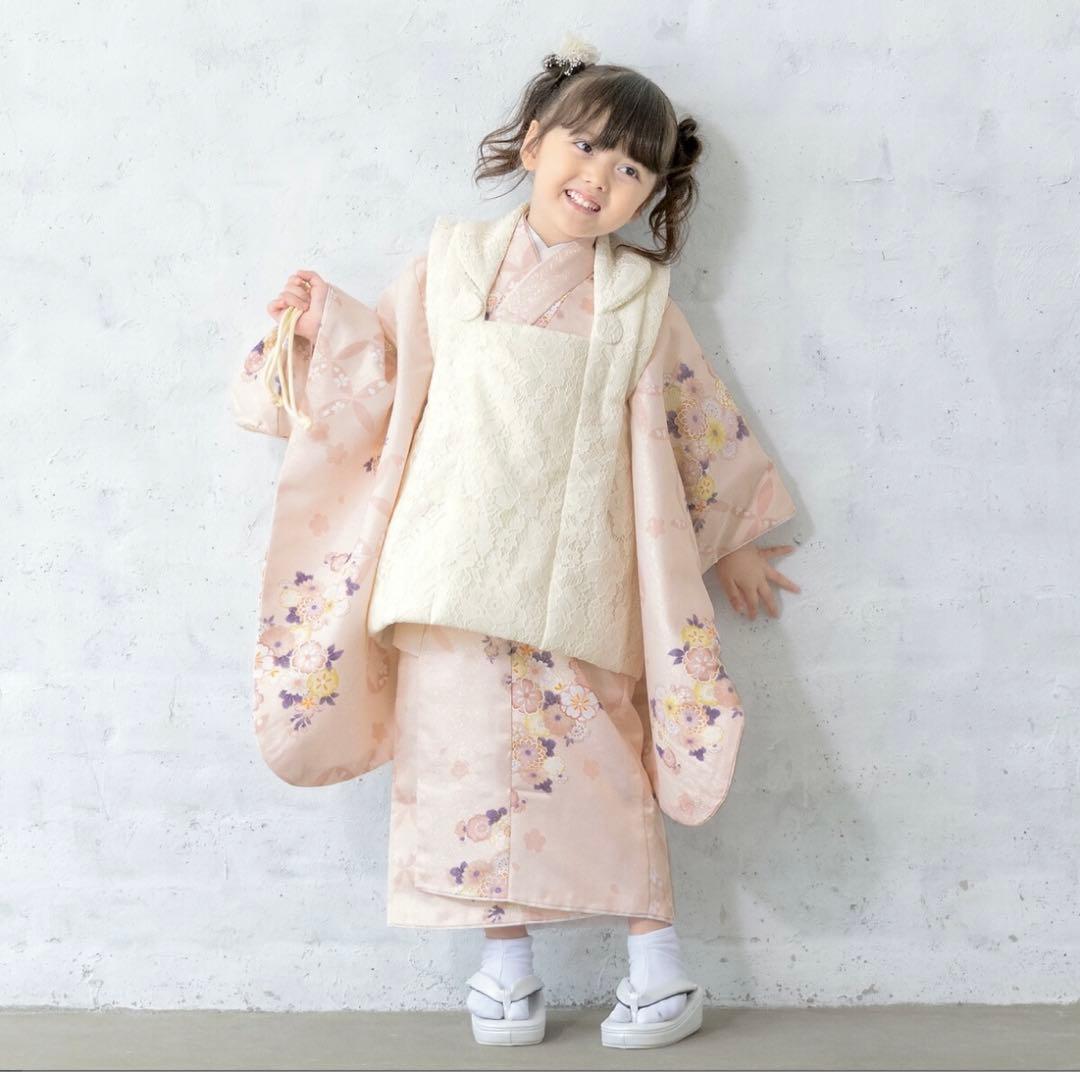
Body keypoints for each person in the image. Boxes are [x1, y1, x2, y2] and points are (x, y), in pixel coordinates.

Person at [230, 33, 800, 1050]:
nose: (601, 178)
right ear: (534, 143)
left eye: (633, 170)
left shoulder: (637, 302)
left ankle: (660, 967)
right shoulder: (448, 266)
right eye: (586, 147)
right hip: (450, 561)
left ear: (653, 195)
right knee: (462, 765)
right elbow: (386, 375)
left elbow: (687, 417)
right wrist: (322, 329)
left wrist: (734, 539)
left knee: (605, 764)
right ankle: (506, 968)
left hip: (578, 567)